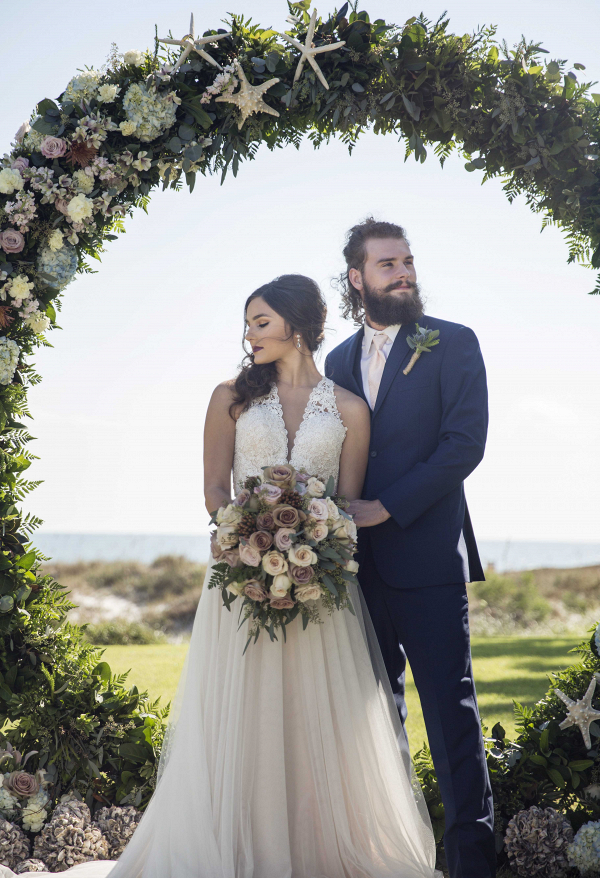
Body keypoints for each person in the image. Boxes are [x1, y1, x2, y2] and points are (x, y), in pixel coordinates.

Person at [6, 274, 441, 878]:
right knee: (241, 720)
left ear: (296, 326)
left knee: (319, 723)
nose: (249, 335)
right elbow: (214, 490)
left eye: (260, 322)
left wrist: (310, 545)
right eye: (247, 324)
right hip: (241, 583)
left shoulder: (349, 409)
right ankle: (238, 850)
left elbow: (346, 507)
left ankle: (315, 851)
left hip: (320, 593)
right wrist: (242, 533)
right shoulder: (230, 397)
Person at [325, 218, 496, 878]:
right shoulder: (336, 362)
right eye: (387, 263)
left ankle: (472, 865)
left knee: (451, 718)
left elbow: (465, 444)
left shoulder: (452, 343)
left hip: (427, 562)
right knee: (377, 724)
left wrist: (386, 506)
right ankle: (399, 857)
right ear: (357, 277)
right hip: (354, 573)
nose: (403, 272)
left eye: (408, 261)